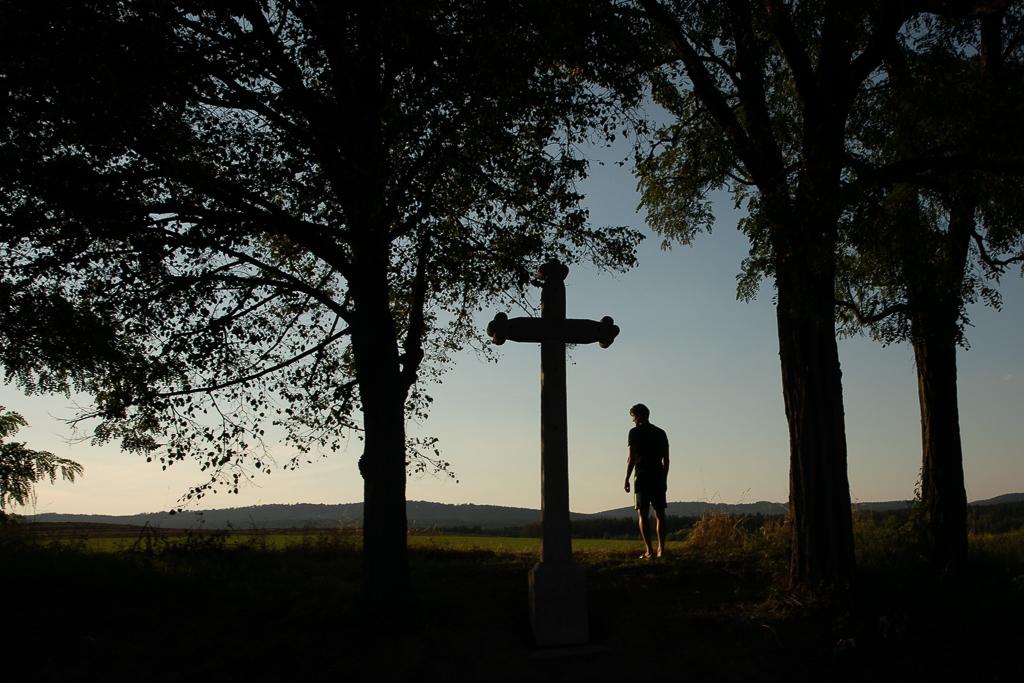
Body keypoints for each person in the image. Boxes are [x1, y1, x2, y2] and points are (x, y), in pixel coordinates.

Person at [623, 403, 669, 559]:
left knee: (642, 514)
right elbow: (666, 459)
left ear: (639, 416)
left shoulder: (634, 433)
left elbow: (631, 458)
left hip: (642, 476)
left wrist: (626, 478)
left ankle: (649, 551)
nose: (633, 420)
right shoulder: (660, 433)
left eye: (633, 417)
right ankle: (662, 549)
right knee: (660, 513)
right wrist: (664, 478)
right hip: (657, 475)